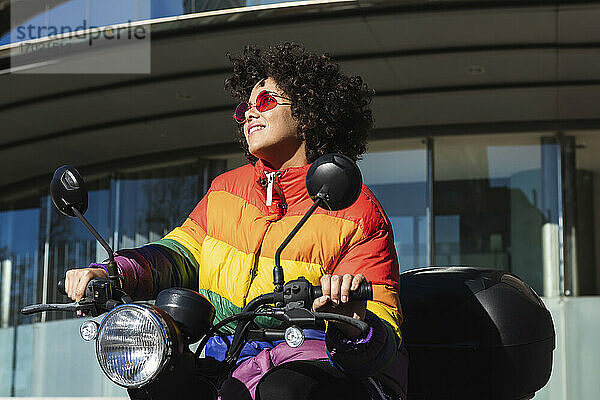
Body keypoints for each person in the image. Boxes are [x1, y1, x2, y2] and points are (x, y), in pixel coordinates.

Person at [65, 42, 408, 400]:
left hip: (318, 359)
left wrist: (355, 319)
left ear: (308, 115)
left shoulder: (353, 205)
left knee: (282, 391)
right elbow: (178, 253)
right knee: (157, 380)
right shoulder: (226, 189)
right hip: (227, 354)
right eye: (245, 108)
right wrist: (111, 272)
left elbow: (382, 332)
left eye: (266, 103)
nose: (249, 115)